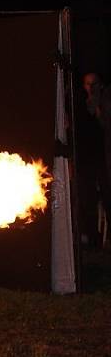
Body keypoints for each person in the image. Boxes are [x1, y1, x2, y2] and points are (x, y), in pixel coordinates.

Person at [75, 73, 111, 247]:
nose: (91, 87)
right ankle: (93, 239)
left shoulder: (105, 101)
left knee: (108, 197)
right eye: (88, 84)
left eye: (94, 84)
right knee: (88, 200)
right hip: (86, 159)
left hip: (103, 158)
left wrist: (98, 106)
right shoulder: (79, 103)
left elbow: (104, 123)